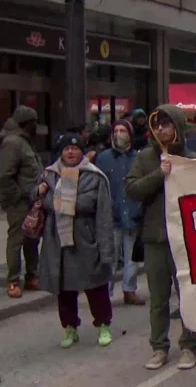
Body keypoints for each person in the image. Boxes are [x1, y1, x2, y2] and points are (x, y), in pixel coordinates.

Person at [125, 104, 196, 371]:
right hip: (154, 238)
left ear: (177, 126)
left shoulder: (191, 158)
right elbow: (132, 189)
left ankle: (189, 346)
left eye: (166, 124)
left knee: (187, 296)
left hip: (185, 239)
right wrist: (160, 174)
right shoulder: (146, 157)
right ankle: (159, 347)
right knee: (158, 298)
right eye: (156, 125)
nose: (160, 129)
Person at [33, 134, 114, 348]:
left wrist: (105, 249)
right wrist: (39, 192)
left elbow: (103, 214)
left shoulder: (95, 177)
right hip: (58, 241)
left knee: (95, 286)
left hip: (86, 240)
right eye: (66, 148)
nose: (70, 152)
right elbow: (36, 200)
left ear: (82, 152)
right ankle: (70, 328)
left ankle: (103, 325)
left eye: (75, 149)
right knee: (65, 289)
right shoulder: (49, 175)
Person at [94, 119, 145, 306]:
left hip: (132, 212)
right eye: (116, 130)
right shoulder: (103, 158)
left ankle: (129, 289)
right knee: (110, 256)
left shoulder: (137, 158)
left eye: (123, 130)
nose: (118, 134)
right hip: (110, 215)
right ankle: (105, 293)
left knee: (132, 256)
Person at [0, 105, 43, 298]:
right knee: (16, 239)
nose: (37, 125)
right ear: (27, 122)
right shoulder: (13, 143)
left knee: (32, 239)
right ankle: (13, 280)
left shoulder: (26, 141)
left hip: (33, 199)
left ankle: (32, 276)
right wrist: (17, 196)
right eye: (35, 121)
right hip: (19, 202)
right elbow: (5, 175)